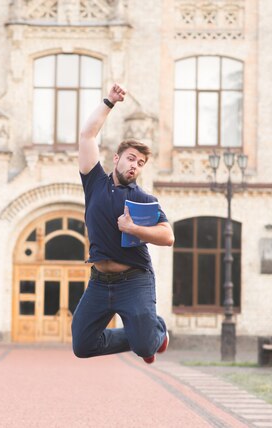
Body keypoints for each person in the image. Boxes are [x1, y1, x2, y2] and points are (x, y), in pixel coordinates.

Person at [71, 83, 175, 364]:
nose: (134, 165)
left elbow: (168, 236)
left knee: (145, 347)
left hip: (134, 280)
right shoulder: (94, 183)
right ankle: (143, 331)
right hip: (99, 282)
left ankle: (156, 331)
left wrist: (135, 229)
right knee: (82, 345)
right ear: (116, 159)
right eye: (131, 158)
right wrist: (109, 102)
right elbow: (87, 134)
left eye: (140, 163)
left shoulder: (142, 198)